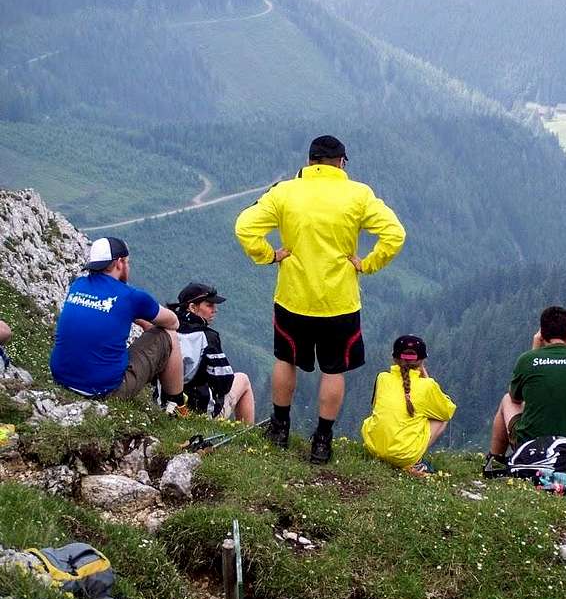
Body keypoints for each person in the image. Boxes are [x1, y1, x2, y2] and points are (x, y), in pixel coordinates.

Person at [235, 135, 406, 464]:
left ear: (310, 161)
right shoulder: (358, 194)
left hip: (292, 297)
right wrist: (367, 264)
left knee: (286, 360)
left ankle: (280, 429)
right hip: (339, 302)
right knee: (334, 370)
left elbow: (245, 226)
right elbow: (395, 233)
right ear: (341, 162)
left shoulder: (285, 192)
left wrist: (268, 255)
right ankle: (322, 441)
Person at [49, 237, 187, 414]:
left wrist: (140, 318)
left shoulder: (78, 284)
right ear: (119, 263)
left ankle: (173, 405)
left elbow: (109, 311)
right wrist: (149, 324)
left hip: (62, 379)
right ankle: (177, 407)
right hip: (105, 390)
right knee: (169, 335)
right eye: (127, 262)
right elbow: (173, 322)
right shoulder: (131, 296)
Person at [484, 306, 566, 475]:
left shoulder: (527, 360)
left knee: (507, 400)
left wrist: (535, 352)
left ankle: (495, 456)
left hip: (531, 447)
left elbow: (515, 398)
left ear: (541, 333)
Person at [362, 335, 456, 477]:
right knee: (440, 417)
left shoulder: (382, 378)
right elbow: (447, 411)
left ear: (394, 358)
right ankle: (414, 461)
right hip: (403, 456)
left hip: (374, 448)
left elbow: (375, 405)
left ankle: (387, 454)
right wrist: (426, 377)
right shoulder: (427, 386)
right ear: (422, 360)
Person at [170, 282, 255, 424]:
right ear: (192, 307)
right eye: (209, 305)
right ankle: (245, 434)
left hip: (168, 406)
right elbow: (224, 383)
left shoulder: (169, 329)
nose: (215, 310)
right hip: (199, 413)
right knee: (243, 379)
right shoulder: (208, 337)